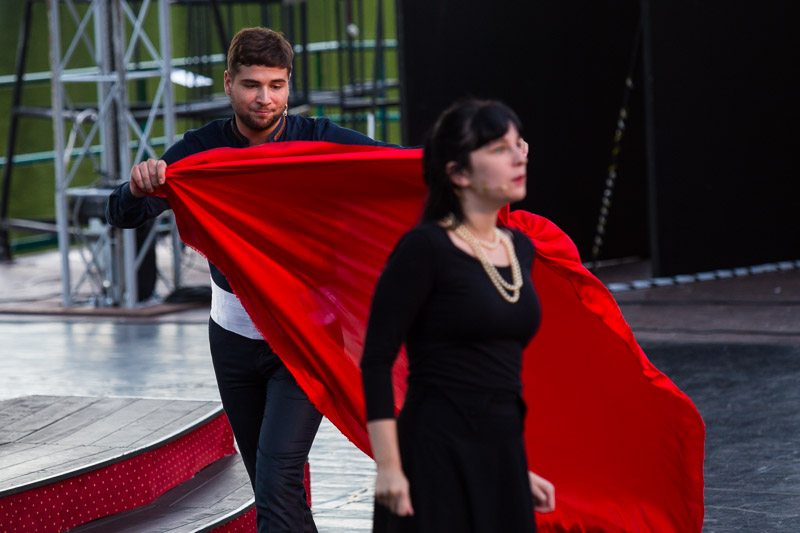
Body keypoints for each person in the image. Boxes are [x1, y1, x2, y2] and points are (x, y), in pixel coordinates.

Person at [106, 27, 400, 533]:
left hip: (305, 337)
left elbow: (399, 166)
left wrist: (476, 160)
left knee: (276, 477)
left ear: (288, 85)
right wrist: (137, 188)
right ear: (228, 83)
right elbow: (122, 213)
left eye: (276, 85)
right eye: (251, 85)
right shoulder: (200, 150)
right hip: (234, 340)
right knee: (272, 483)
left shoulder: (320, 139)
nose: (264, 98)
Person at [360, 99, 556, 532]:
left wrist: (515, 469)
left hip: (501, 452)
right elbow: (376, 360)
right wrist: (389, 467)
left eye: (517, 144)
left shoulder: (519, 249)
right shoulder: (424, 249)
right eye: (499, 148)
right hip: (433, 454)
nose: (518, 156)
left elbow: (495, 368)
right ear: (458, 173)